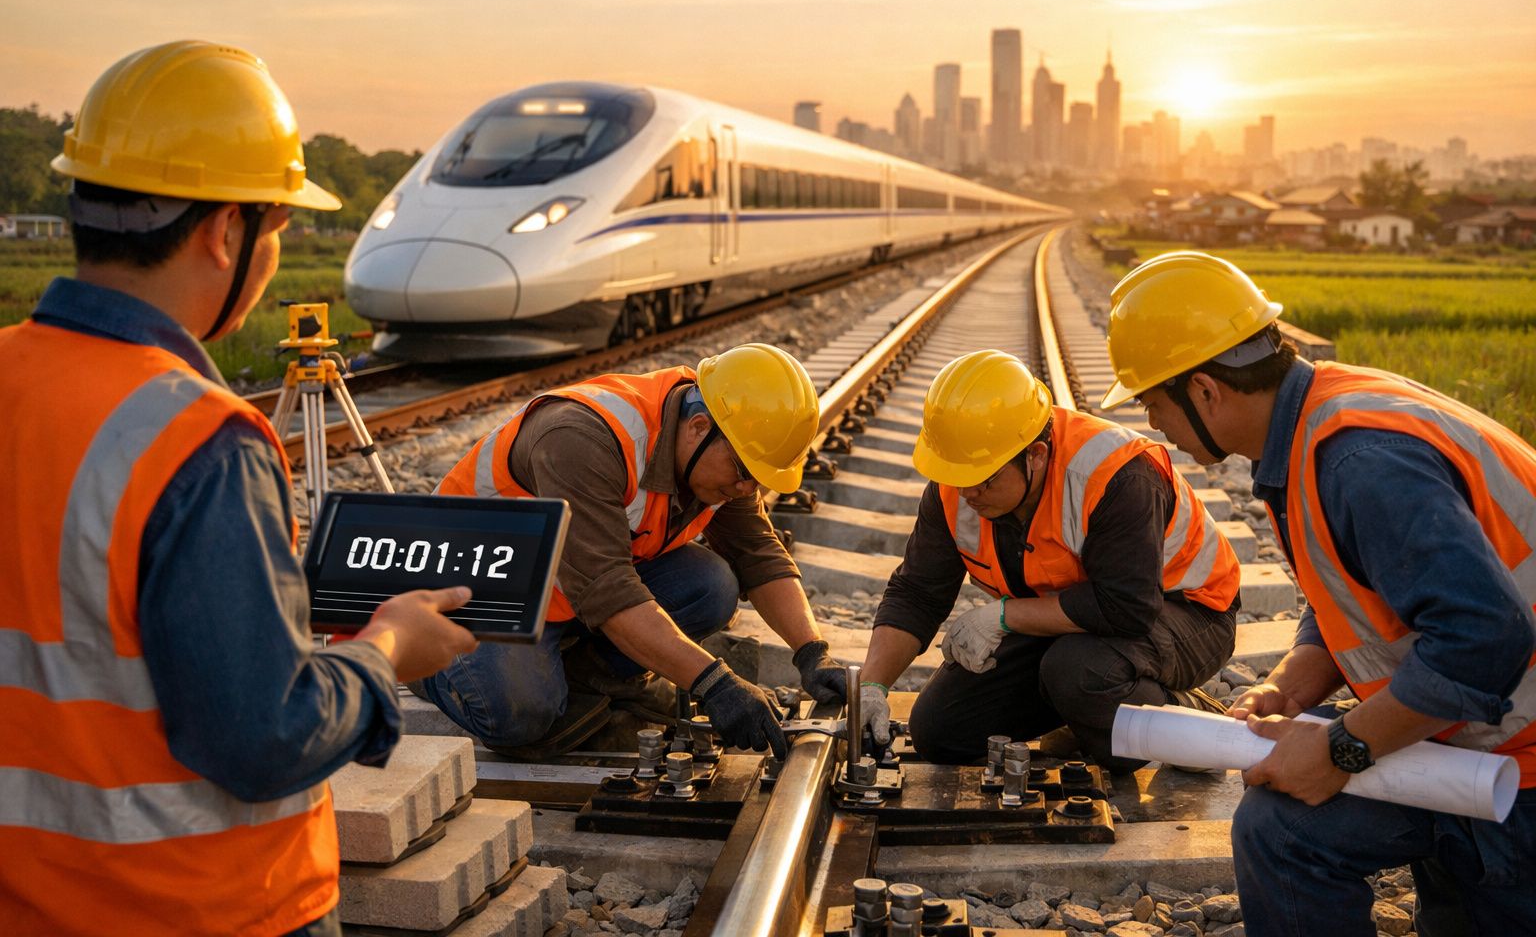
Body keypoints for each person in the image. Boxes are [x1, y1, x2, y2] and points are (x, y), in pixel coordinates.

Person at [0, 41, 478, 937]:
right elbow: (265, 737)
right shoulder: (193, 439)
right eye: (281, 224)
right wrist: (384, 652)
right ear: (227, 230)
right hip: (194, 907)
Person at [1102, 251, 1536, 935]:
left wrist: (1340, 752)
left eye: (1154, 402)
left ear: (1207, 390)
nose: (1155, 424)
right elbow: (1352, 591)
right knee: (1281, 828)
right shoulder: (1311, 428)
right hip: (1461, 730)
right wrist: (1292, 686)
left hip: (1519, 760)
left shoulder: (1360, 460)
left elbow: (1487, 637)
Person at [415, 342, 847, 759]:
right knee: (521, 717)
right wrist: (715, 684)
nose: (745, 489)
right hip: (473, 592)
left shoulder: (715, 443)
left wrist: (812, 653)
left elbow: (758, 554)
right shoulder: (581, 438)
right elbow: (610, 591)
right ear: (699, 428)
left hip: (560, 588)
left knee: (710, 584)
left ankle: (586, 679)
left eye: (756, 479)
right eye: (744, 473)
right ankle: (430, 667)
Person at [858, 349, 1241, 772]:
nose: (968, 494)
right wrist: (872, 686)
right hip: (1070, 620)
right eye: (955, 475)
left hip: (1189, 612)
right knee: (939, 730)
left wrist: (1004, 616)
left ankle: (1186, 711)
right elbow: (917, 593)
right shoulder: (959, 486)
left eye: (983, 479)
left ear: (1036, 455)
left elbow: (1126, 607)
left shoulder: (1116, 474)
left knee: (1081, 677)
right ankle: (1086, 713)